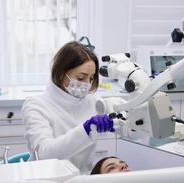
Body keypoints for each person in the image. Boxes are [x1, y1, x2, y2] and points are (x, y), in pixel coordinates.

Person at [22, 41, 115, 173]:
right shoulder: (36, 105)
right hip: (48, 182)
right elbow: (44, 155)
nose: (87, 84)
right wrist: (85, 130)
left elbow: (128, 127)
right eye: (81, 77)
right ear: (61, 74)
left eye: (91, 78)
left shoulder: (93, 101)